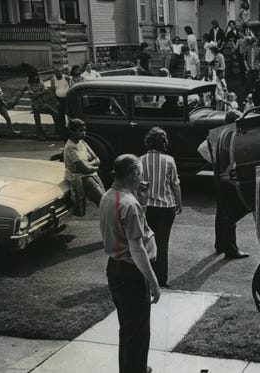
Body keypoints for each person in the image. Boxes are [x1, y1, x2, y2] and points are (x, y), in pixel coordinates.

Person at [100, 154, 160, 373]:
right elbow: (137, 248)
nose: (142, 177)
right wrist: (153, 281)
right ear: (134, 173)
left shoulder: (109, 196)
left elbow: (129, 230)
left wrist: (142, 201)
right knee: (139, 331)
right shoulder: (128, 204)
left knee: (128, 327)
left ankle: (132, 368)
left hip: (116, 270)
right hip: (131, 273)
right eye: (141, 172)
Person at [197, 111, 250, 259]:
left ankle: (220, 244)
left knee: (221, 211)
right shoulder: (233, 134)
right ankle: (231, 248)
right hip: (229, 176)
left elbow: (201, 148)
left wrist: (215, 162)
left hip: (219, 175)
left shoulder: (217, 134)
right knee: (231, 211)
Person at [139, 127, 182, 288]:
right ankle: (161, 279)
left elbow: (138, 185)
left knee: (146, 241)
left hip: (147, 206)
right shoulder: (169, 160)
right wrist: (179, 202)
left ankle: (145, 276)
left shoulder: (140, 160)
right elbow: (175, 184)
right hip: (166, 206)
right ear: (163, 142)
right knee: (163, 243)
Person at [64, 118, 106, 216]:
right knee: (103, 202)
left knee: (105, 200)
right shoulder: (71, 147)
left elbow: (97, 159)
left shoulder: (82, 142)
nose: (84, 133)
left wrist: (87, 164)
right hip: (82, 177)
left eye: (84, 130)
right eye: (80, 131)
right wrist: (93, 166)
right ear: (72, 132)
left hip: (90, 174)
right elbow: (85, 169)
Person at [27, 71, 62, 140]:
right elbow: (33, 96)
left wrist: (37, 93)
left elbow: (47, 91)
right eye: (33, 76)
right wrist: (41, 93)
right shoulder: (29, 85)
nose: (35, 77)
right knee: (37, 119)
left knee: (55, 113)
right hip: (35, 104)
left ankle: (58, 131)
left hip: (44, 102)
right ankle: (40, 134)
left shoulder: (41, 82)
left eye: (36, 76)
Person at [49, 68, 71, 135]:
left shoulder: (66, 77)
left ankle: (71, 129)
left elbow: (71, 86)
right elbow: (52, 91)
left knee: (69, 114)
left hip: (67, 99)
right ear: (55, 73)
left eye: (60, 71)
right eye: (57, 72)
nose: (59, 73)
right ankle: (63, 131)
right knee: (61, 116)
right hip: (59, 99)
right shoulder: (53, 80)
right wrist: (56, 101)